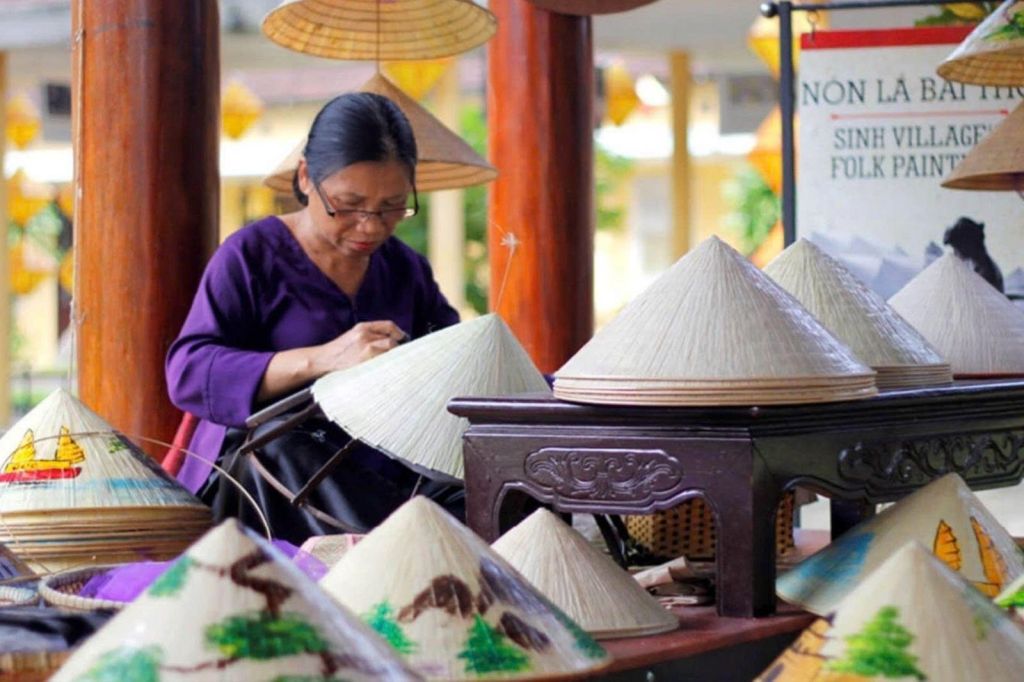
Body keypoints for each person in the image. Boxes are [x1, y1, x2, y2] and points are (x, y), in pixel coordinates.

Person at [166, 93, 463, 543]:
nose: (371, 226)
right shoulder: (251, 256)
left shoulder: (405, 269)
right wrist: (323, 358)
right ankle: (390, 553)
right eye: (348, 204)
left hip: (385, 473)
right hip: (273, 481)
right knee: (281, 447)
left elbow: (453, 363)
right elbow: (189, 373)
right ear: (306, 177)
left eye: (392, 206)